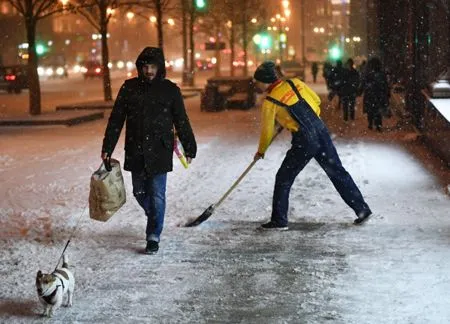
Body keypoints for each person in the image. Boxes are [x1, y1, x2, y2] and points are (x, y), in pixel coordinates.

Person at [252, 61, 372, 230]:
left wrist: (261, 151)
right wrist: (308, 121)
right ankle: (362, 209)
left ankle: (279, 221)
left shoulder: (270, 102)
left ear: (265, 82)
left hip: (304, 140)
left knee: (284, 178)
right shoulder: (296, 83)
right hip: (320, 130)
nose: (256, 84)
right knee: (337, 171)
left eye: (257, 81)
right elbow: (315, 101)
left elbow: (266, 131)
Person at [101, 47, 197, 254]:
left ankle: (153, 236)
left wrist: (190, 146)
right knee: (139, 192)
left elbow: (181, 120)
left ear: (160, 67)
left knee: (157, 194)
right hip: (136, 149)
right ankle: (155, 215)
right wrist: (107, 147)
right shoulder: (129, 88)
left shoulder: (170, 90)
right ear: (139, 68)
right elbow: (116, 119)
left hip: (160, 150)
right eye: (145, 66)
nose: (149, 71)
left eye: (153, 66)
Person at [358, 57, 389, 131]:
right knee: (377, 110)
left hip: (370, 95)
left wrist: (360, 90)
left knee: (371, 111)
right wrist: (386, 93)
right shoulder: (380, 74)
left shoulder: (368, 73)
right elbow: (385, 85)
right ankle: (377, 125)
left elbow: (363, 83)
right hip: (378, 95)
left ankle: (371, 124)